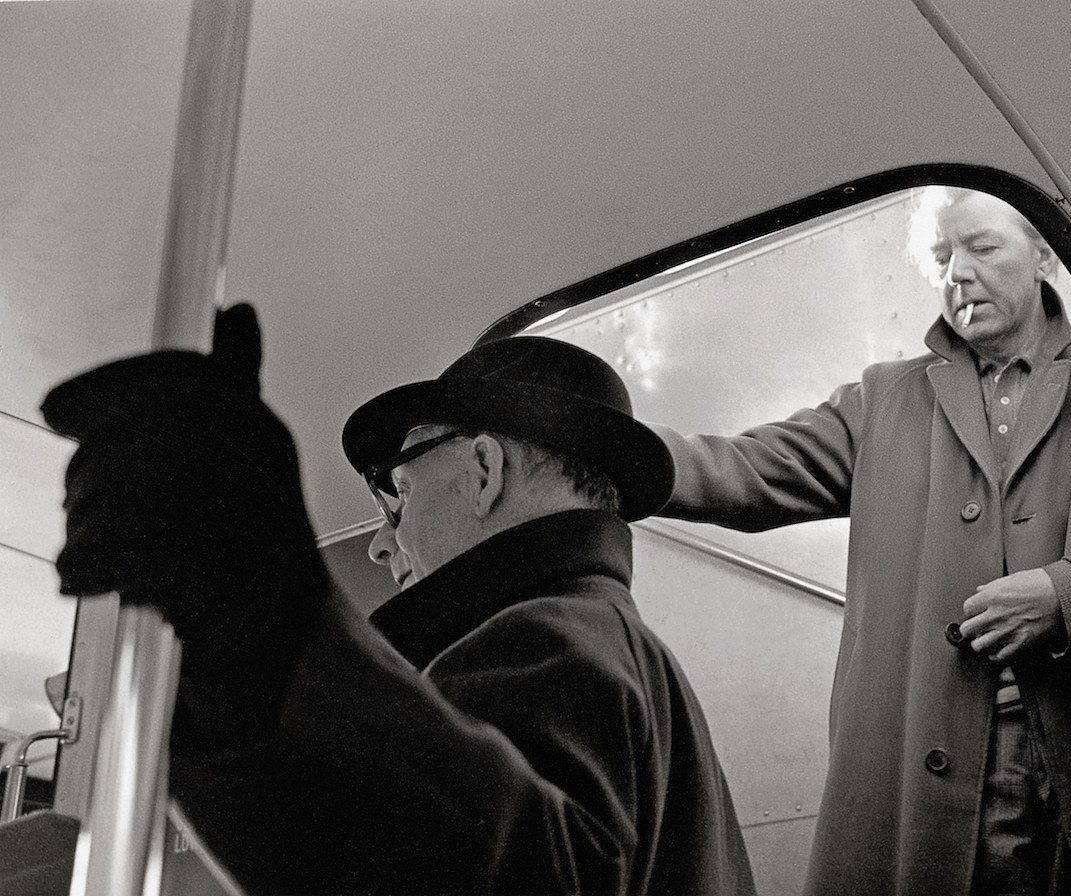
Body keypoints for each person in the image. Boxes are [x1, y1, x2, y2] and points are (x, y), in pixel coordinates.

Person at [37, 307, 755, 894]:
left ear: (482, 470)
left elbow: (512, 878)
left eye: (397, 490)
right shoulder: (622, 653)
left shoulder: (543, 636)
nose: (383, 545)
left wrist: (258, 628)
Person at [649, 187, 1071, 895]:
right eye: (939, 256)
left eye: (981, 247)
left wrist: (1069, 596)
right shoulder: (881, 398)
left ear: (1044, 254)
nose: (955, 272)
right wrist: (602, 453)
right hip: (941, 785)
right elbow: (743, 469)